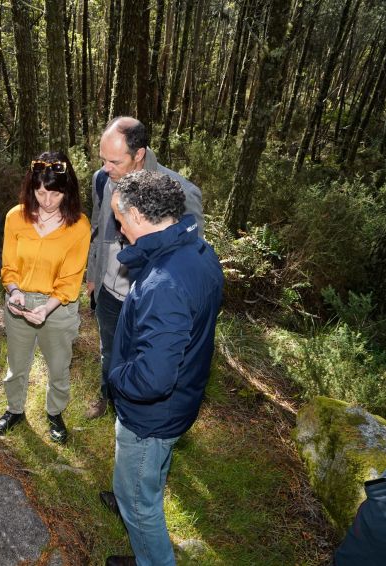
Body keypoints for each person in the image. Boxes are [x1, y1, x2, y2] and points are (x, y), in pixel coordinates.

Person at [100, 170, 223, 566]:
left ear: (137, 214)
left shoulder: (164, 281)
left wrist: (116, 376)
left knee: (139, 505)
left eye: (120, 219)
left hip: (151, 416)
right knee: (148, 476)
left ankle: (152, 558)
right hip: (180, 401)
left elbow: (153, 377)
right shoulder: (197, 251)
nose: (118, 227)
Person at [85, 116, 205, 420]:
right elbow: (97, 229)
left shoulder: (178, 191)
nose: (106, 168)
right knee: (109, 350)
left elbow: (191, 252)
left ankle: (134, 413)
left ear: (139, 154)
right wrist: (92, 273)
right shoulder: (103, 179)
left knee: (145, 357)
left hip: (150, 297)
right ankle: (107, 396)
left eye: (115, 161)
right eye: (103, 160)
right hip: (109, 289)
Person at [0, 151, 91, 444]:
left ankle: (55, 413)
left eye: (55, 193)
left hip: (58, 307)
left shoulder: (79, 226)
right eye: (40, 191)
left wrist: (46, 308)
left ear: (67, 191)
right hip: (19, 303)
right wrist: (15, 292)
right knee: (16, 363)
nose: (47, 200)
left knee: (59, 365)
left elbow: (71, 278)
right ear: (31, 188)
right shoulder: (15, 217)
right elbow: (9, 266)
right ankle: (14, 410)